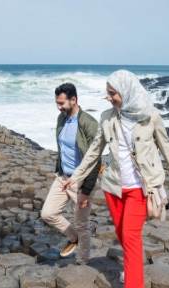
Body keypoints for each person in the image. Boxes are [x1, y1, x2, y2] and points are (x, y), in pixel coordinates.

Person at [62, 70, 169, 288]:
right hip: (114, 188)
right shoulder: (108, 118)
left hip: (140, 189)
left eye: (113, 93)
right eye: (108, 93)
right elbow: (95, 151)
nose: (109, 98)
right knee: (121, 233)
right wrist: (76, 176)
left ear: (127, 91)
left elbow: (166, 146)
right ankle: (129, 270)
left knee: (130, 236)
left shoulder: (149, 116)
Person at [40, 83, 100, 265]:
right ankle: (74, 238)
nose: (59, 107)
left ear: (74, 100)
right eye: (57, 103)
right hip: (63, 177)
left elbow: (96, 159)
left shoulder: (89, 123)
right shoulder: (62, 118)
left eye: (62, 103)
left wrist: (86, 190)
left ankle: (83, 262)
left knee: (82, 223)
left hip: (80, 181)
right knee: (48, 213)